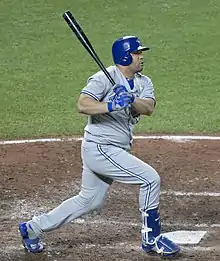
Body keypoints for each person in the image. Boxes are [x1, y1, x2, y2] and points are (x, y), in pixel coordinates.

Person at [18, 36, 180, 257]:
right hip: (100, 147)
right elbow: (83, 105)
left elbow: (149, 107)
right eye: (137, 53)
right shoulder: (104, 78)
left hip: (114, 149)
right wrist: (111, 104)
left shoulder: (144, 82)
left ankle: (32, 228)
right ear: (125, 55)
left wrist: (131, 99)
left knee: (89, 201)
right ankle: (152, 239)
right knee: (150, 179)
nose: (141, 57)